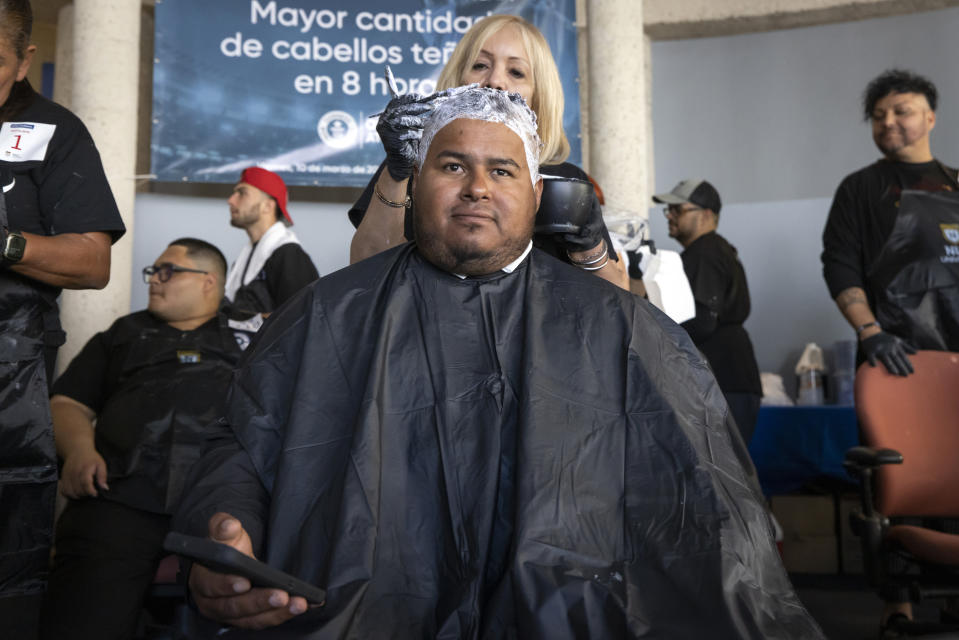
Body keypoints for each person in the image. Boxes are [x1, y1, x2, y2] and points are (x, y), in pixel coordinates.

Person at [174, 87, 821, 638]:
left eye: (502, 171)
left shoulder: (617, 323)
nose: (477, 188)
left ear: (536, 194)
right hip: (367, 608)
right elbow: (240, 442)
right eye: (452, 166)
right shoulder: (327, 311)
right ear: (415, 182)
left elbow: (708, 501)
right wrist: (222, 531)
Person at [39, 238, 250, 640]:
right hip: (119, 493)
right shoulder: (125, 333)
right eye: (153, 271)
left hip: (221, 498)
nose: (154, 280)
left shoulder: (249, 334)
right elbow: (68, 403)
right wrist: (80, 451)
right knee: (84, 612)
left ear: (209, 282)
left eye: (167, 271)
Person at [0, 1, 125, 636]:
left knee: (9, 566)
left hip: (9, 378)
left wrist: (7, 243)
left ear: (24, 61)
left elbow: (92, 262)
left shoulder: (52, 130)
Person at [348, 14, 627, 290]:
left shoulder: (566, 182)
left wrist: (589, 247)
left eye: (516, 72)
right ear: (457, 79)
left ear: (540, 95)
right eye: (480, 65)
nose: (495, 81)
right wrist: (397, 174)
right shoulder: (410, 161)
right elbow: (365, 273)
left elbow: (617, 304)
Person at [822, 69, 959, 378]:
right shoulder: (859, 188)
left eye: (902, 111)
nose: (887, 122)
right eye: (878, 115)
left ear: (930, 119)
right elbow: (839, 264)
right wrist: (869, 330)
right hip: (897, 356)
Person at [653, 179, 762, 444]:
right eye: (668, 210)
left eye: (678, 209)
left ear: (706, 214)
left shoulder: (705, 251)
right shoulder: (715, 250)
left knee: (722, 476)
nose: (670, 215)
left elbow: (703, 320)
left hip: (722, 379)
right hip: (732, 376)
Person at [224, 166, 319, 320]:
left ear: (268, 206)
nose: (231, 200)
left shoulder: (289, 256)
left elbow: (301, 320)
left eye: (242, 193)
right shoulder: (248, 255)